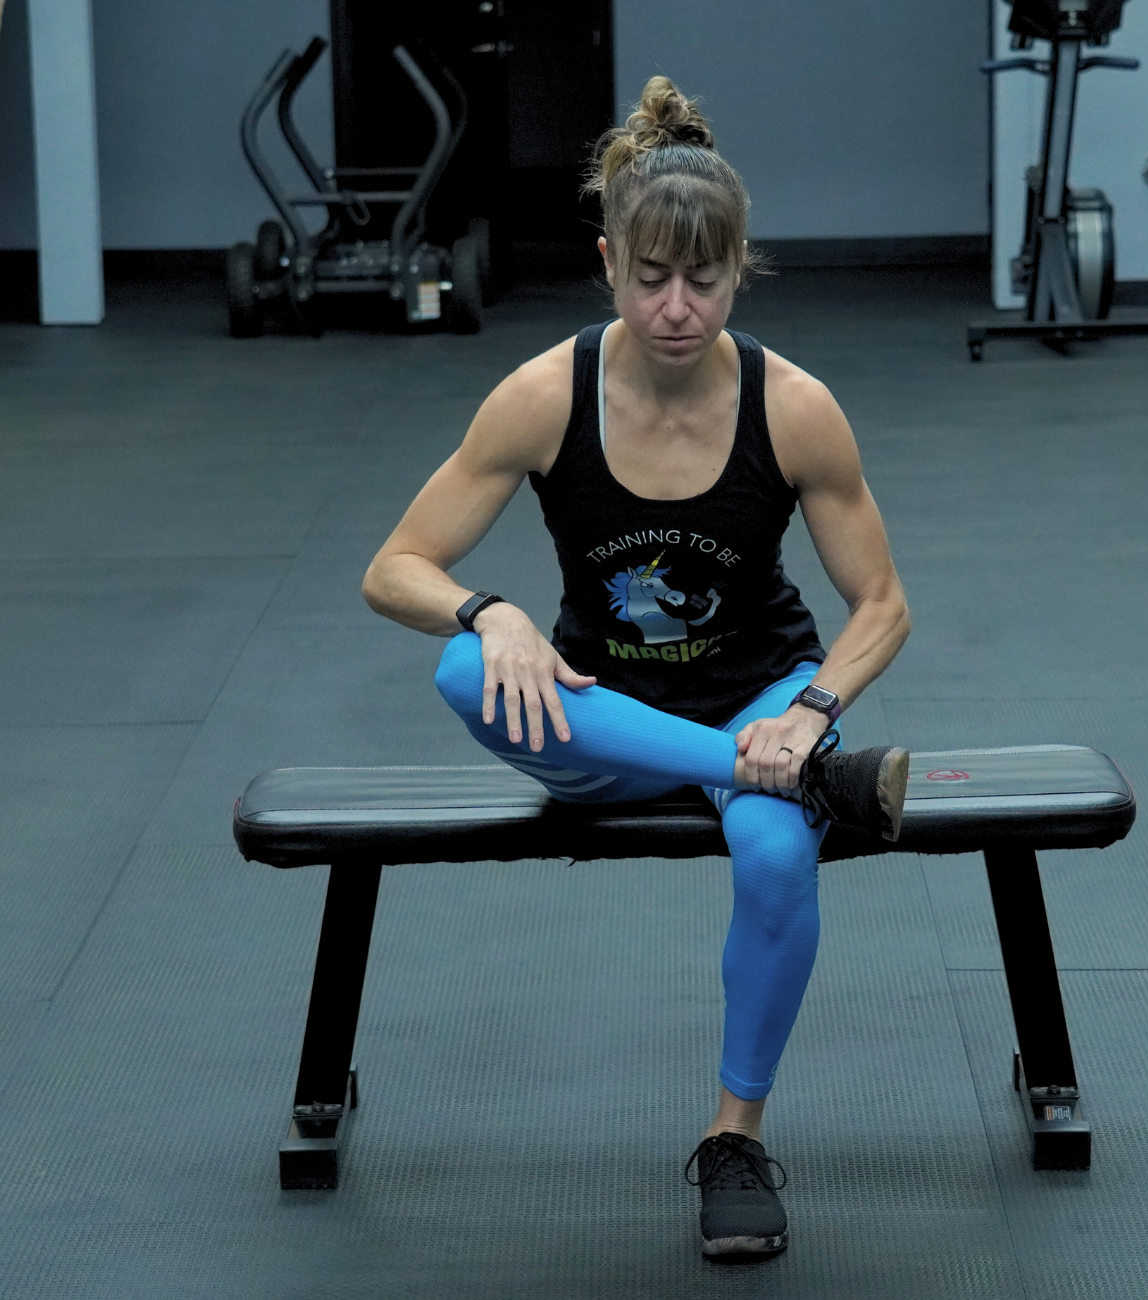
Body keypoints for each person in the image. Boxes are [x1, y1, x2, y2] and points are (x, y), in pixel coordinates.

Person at [363, 76, 911, 1259]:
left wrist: (814, 708)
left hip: (763, 697)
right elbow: (395, 566)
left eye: (703, 280)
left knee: (770, 854)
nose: (676, 307)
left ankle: (732, 1138)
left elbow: (881, 605)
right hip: (604, 721)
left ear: (738, 265)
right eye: (650, 277)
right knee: (466, 672)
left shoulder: (795, 407)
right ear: (609, 262)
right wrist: (491, 609)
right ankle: (783, 778)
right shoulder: (544, 394)